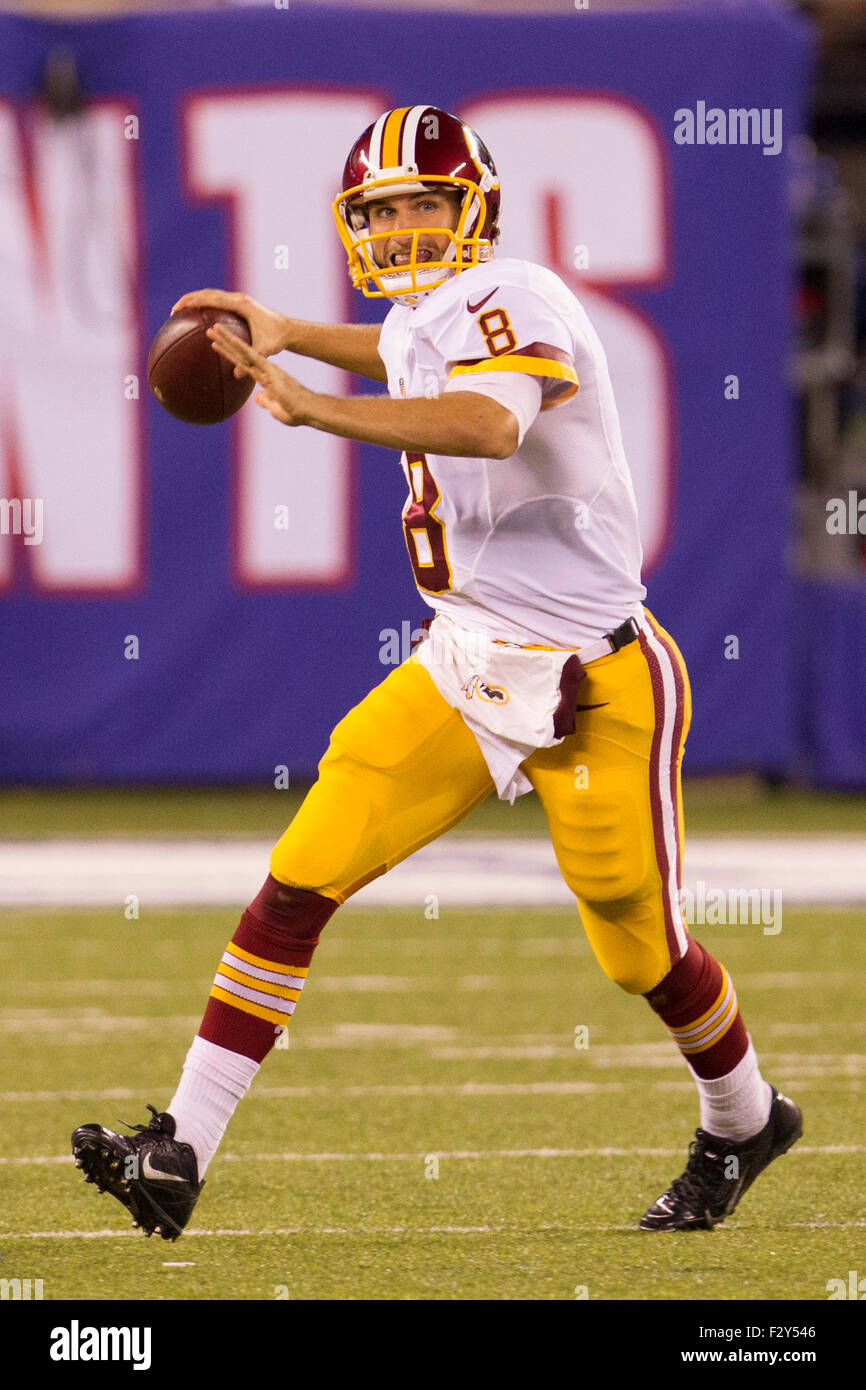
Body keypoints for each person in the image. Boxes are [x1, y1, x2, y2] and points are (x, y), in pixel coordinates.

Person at [72, 105, 801, 1241]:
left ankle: (741, 1117)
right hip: (464, 662)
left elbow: (485, 420)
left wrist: (314, 404)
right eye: (379, 211)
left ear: (475, 209)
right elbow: (411, 346)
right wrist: (293, 330)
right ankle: (180, 1149)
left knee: (636, 945)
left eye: (421, 205)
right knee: (302, 869)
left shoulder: (520, 294)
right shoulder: (434, 311)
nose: (402, 229)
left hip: (596, 679)